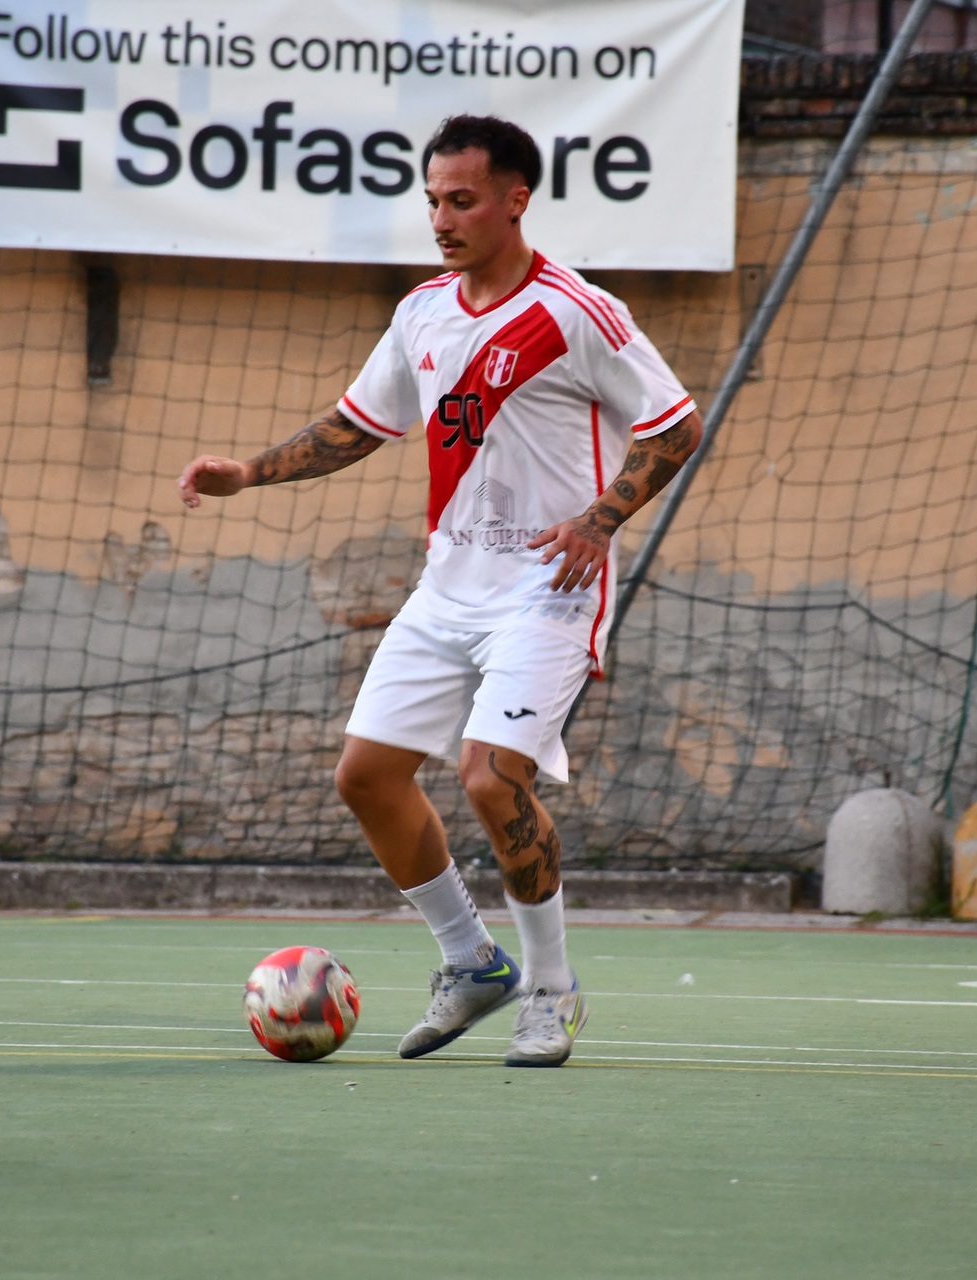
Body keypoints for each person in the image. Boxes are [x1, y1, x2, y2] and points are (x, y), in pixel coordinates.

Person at [180, 116, 701, 1067]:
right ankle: (472, 962)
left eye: (461, 200)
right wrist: (249, 473)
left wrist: (598, 521)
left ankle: (552, 989)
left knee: (489, 774)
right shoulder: (421, 311)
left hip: (548, 589)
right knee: (365, 777)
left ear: (515, 200)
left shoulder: (576, 311)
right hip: (447, 587)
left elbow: (675, 425)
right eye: (432, 200)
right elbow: (356, 424)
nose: (441, 219)